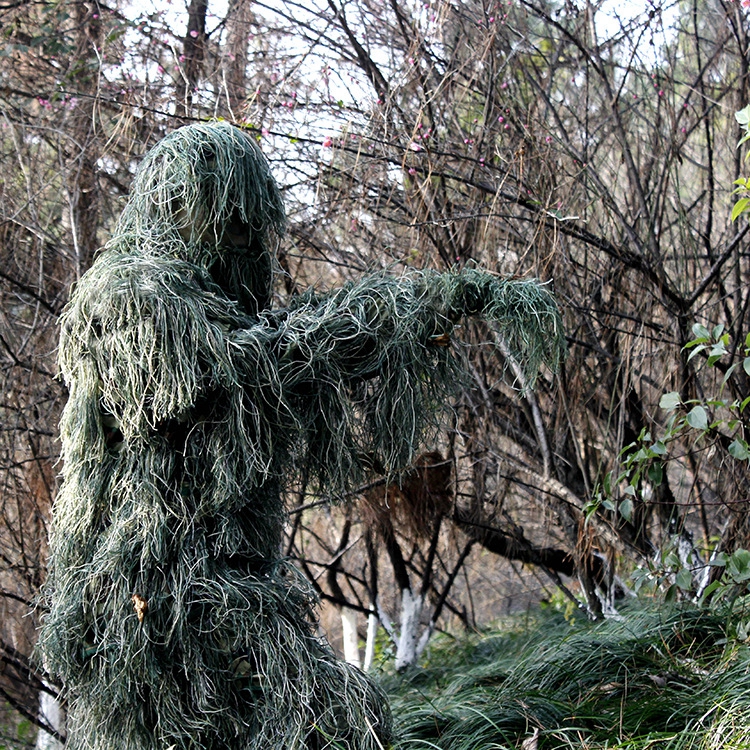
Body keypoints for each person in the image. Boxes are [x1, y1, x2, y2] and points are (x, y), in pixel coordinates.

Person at [38, 122, 564, 749]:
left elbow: (277, 346)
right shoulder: (124, 293)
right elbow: (233, 372)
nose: (246, 244)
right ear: (181, 208)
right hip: (149, 591)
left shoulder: (210, 301)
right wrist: (385, 317)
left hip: (229, 573)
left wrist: (421, 308)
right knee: (317, 719)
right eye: (230, 223)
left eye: (251, 226)